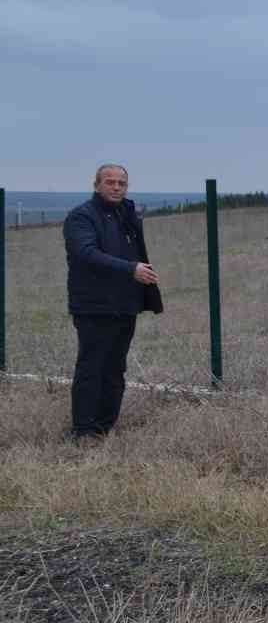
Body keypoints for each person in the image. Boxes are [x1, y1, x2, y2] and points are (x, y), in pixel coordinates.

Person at [62, 164, 163, 441]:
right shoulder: (81, 217)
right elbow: (85, 253)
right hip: (94, 306)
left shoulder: (126, 215)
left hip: (124, 304)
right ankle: (83, 431)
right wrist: (130, 269)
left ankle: (105, 427)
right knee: (91, 367)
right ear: (96, 185)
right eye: (110, 182)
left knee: (115, 368)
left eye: (122, 183)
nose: (117, 187)